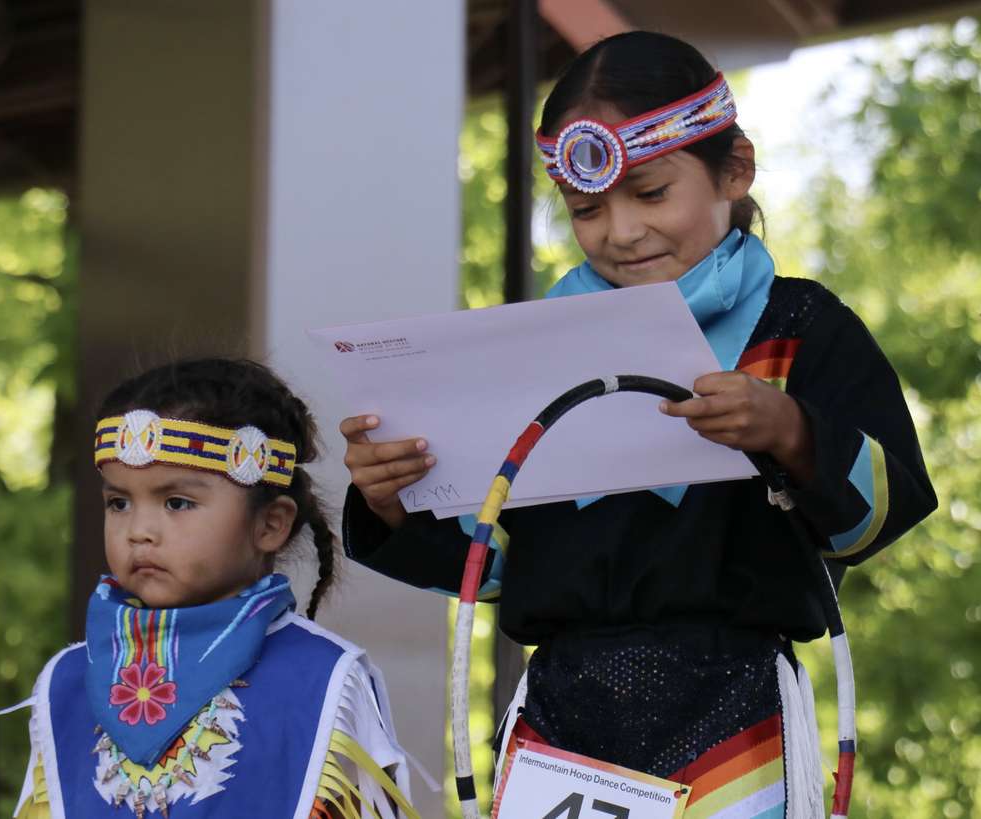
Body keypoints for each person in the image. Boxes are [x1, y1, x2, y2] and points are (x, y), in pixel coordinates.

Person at [339, 31, 937, 817]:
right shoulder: (531, 349)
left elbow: (883, 512)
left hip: (736, 707)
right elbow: (495, 563)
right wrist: (392, 501)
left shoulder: (798, 329)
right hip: (560, 707)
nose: (620, 232)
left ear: (736, 169)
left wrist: (790, 429)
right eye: (586, 210)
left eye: (651, 193)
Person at [0, 358, 418, 819]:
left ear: (270, 525)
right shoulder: (68, 680)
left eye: (176, 502)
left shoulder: (323, 681)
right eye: (118, 503)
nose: (138, 530)